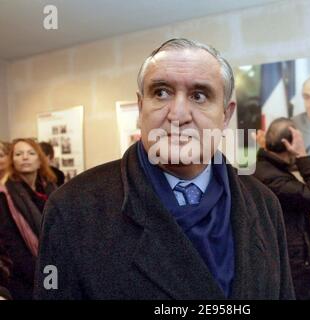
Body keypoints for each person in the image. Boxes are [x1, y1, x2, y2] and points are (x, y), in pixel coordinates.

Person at [34, 38, 295, 300]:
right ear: (140, 107)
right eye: (161, 92)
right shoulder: (73, 208)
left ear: (226, 115)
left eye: (199, 95)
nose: (178, 114)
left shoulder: (264, 203)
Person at [254, 117, 310, 299]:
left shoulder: (267, 169)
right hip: (292, 268)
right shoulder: (272, 177)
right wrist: (303, 155)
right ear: (289, 144)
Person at [0, 138, 57, 299]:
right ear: (12, 160)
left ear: (40, 160)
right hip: (24, 276)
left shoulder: (51, 189)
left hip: (55, 266)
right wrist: (42, 275)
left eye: (31, 153)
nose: (25, 157)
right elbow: (11, 244)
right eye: (19, 154)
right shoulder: (5, 195)